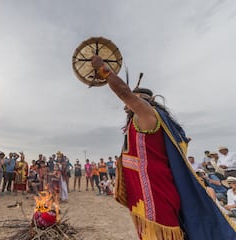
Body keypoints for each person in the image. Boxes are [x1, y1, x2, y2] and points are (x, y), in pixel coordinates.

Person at [91, 55, 236, 239]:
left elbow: (124, 92)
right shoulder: (136, 123)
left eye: (130, 102)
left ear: (141, 101)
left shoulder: (147, 116)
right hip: (147, 196)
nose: (125, 107)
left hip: (158, 196)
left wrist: (104, 70)